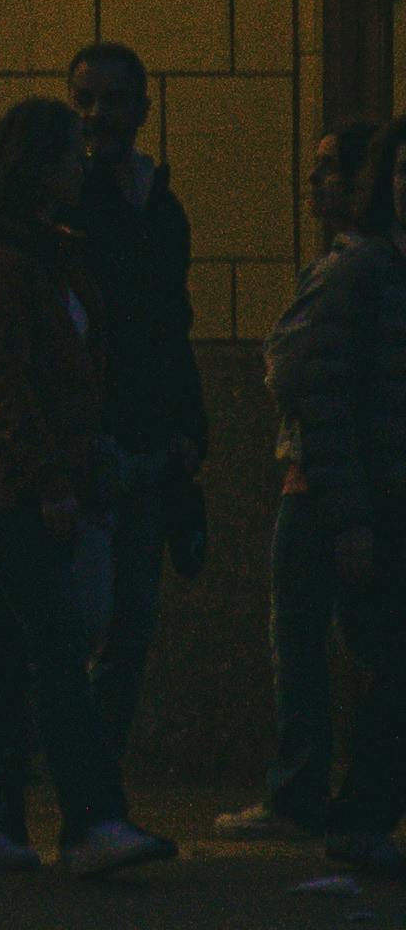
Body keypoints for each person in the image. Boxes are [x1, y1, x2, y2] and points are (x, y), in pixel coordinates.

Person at [0, 93, 154, 875]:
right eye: (67, 155)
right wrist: (51, 482)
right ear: (36, 166)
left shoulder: (42, 251)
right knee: (60, 650)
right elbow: (8, 386)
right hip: (10, 490)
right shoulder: (3, 266)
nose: (79, 168)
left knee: (8, 658)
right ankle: (91, 819)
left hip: (22, 482)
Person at [59, 39, 208, 832]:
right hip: (93, 449)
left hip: (145, 445)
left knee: (129, 631)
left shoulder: (157, 206)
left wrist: (188, 427)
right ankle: (79, 792)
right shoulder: (72, 207)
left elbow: (169, 326)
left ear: (141, 109)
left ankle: (96, 793)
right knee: (82, 626)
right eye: (84, 99)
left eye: (111, 100)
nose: (96, 115)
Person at [240, 118, 400, 851]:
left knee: (324, 640)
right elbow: (316, 380)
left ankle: (319, 796)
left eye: (330, 170)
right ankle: (340, 802)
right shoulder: (365, 270)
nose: (315, 185)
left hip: (342, 489)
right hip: (352, 490)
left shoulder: (359, 270)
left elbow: (306, 374)